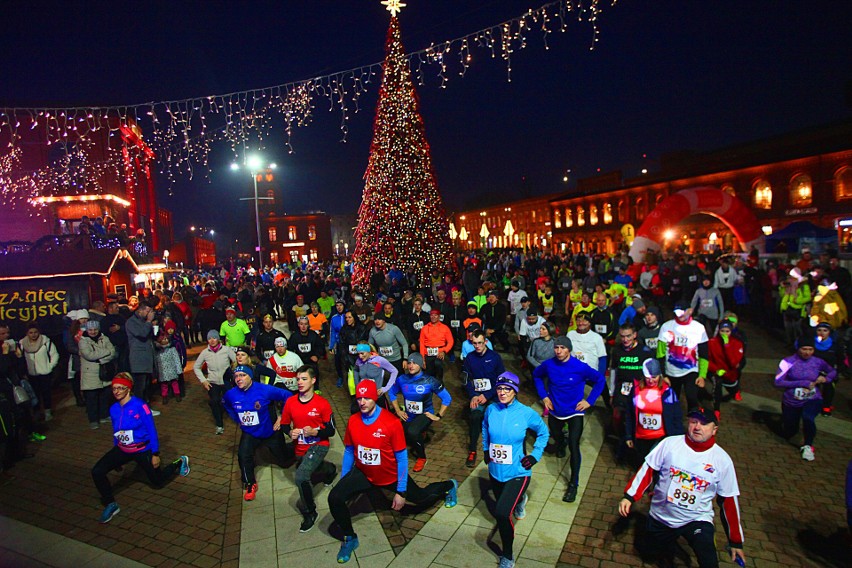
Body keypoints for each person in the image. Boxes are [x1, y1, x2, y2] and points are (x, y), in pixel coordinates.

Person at [328, 380, 458, 563]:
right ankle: (350, 538)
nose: (362, 402)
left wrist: (401, 491)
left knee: (421, 499)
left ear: (374, 397)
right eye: (359, 398)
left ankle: (448, 486)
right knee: (334, 498)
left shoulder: (391, 422)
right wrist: (345, 479)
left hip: (391, 476)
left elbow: (403, 458)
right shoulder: (353, 421)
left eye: (367, 397)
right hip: (365, 474)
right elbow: (349, 450)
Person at [619, 408, 745, 568]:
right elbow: (648, 470)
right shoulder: (670, 444)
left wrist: (735, 541)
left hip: (696, 519)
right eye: (694, 421)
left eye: (704, 423)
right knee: (649, 555)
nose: (697, 427)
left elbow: (728, 501)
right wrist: (629, 496)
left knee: (709, 559)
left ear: (714, 430)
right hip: (662, 516)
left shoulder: (722, 461)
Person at [91, 373, 190, 523]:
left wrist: (155, 453)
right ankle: (110, 504)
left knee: (157, 481)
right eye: (114, 388)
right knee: (97, 471)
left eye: (120, 388)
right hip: (122, 449)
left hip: (142, 449)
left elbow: (151, 429)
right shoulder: (114, 409)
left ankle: (180, 462)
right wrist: (116, 450)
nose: (116, 391)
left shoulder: (140, 406)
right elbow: (116, 430)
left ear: (128, 389)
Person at [482, 372, 549, 568]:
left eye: (507, 389)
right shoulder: (491, 410)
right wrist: (486, 449)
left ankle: (508, 556)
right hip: (495, 471)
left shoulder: (526, 413)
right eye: (500, 388)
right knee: (505, 504)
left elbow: (544, 432)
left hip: (518, 472)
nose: (502, 393)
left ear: (515, 391)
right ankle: (521, 500)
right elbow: (485, 428)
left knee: (502, 513)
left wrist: (535, 455)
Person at [532, 335, 605, 503]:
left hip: (575, 412)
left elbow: (600, 380)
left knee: (574, 445)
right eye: (556, 348)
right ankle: (560, 442)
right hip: (556, 410)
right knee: (557, 436)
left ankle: (573, 484)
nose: (558, 351)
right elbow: (536, 375)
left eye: (562, 348)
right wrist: (544, 396)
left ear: (569, 349)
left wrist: (589, 401)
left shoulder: (580, 367)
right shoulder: (549, 365)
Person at [276, 366, 337, 532]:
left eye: (304, 379)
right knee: (309, 466)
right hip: (300, 447)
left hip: (319, 445)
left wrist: (316, 431)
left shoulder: (322, 404)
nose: (300, 382)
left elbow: (331, 430)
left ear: (313, 380)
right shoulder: (290, 402)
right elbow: (283, 424)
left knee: (301, 476)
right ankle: (330, 469)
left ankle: (310, 512)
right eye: (298, 379)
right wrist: (290, 431)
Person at [223, 365, 294, 501]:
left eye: (243, 375)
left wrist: (282, 418)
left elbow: (288, 396)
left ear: (250, 377)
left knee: (284, 460)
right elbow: (226, 404)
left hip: (270, 431)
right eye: (236, 376)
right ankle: (250, 483)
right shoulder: (231, 394)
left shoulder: (264, 389)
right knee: (243, 455)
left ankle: (295, 448)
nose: (239, 379)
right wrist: (236, 419)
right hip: (250, 433)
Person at [774, 335, 835, 461]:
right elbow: (778, 382)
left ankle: (808, 445)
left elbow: (832, 371)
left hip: (813, 398)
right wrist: (801, 383)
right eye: (804, 349)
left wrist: (826, 378)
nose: (807, 352)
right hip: (792, 400)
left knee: (808, 418)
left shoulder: (818, 361)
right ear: (798, 348)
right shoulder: (787, 362)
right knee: (790, 430)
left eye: (810, 349)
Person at [387, 353, 451, 472]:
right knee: (399, 432)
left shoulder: (430, 381)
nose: (411, 365)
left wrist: (438, 416)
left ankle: (422, 458)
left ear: (421, 365)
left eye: (415, 363)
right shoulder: (402, 379)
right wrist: (398, 410)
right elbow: (391, 393)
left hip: (425, 414)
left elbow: (447, 398)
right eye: (410, 363)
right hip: (409, 415)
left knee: (412, 432)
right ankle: (421, 433)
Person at [624, 359, 683, 465]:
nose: (651, 381)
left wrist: (677, 439)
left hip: (660, 438)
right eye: (648, 378)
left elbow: (676, 417)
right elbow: (629, 414)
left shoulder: (668, 393)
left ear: (660, 375)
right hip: (641, 438)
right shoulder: (636, 390)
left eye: (654, 377)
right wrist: (628, 435)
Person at [461, 330, 506, 467]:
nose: (477, 346)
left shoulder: (495, 357)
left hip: (493, 395)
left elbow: (501, 380)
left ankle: (500, 449)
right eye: (474, 343)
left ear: (485, 342)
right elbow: (466, 380)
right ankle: (472, 450)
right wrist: (473, 395)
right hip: (477, 395)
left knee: (499, 418)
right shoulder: (469, 358)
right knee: (474, 416)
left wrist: (487, 395)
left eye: (480, 343)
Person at [657, 302, 709, 413]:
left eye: (682, 311)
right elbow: (660, 353)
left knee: (692, 398)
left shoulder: (699, 328)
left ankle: (693, 423)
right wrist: (663, 375)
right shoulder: (666, 327)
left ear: (690, 310)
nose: (679, 315)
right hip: (671, 372)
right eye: (677, 312)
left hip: (691, 370)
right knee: (670, 401)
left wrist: (702, 375)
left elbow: (704, 353)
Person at [193, 330, 237, 435]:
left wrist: (234, 374)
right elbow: (196, 367)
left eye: (214, 338)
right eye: (209, 338)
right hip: (213, 382)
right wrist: (203, 380)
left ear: (218, 339)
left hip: (226, 381)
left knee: (233, 400)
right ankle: (219, 425)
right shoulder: (205, 352)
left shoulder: (226, 350)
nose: (212, 340)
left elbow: (236, 361)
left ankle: (240, 419)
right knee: (214, 401)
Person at [78, 320, 117, 429]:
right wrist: (105, 353)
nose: (93, 332)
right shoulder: (83, 341)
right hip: (90, 374)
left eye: (95, 329)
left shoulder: (104, 338)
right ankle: (93, 420)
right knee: (92, 398)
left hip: (104, 372)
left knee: (105, 396)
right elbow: (89, 355)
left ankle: (104, 415)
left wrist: (100, 358)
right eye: (90, 329)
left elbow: (112, 351)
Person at [19, 323, 59, 422]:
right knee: (34, 394)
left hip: (44, 373)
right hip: (31, 374)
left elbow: (54, 355)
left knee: (46, 393)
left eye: (35, 332)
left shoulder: (45, 341)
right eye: (31, 332)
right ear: (27, 333)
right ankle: (37, 412)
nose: (33, 335)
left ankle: (47, 412)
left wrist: (49, 367)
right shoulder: (22, 344)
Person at [707, 320, 746, 420]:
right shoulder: (712, 342)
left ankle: (736, 390)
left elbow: (734, 363)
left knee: (732, 386)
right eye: (722, 331)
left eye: (727, 331)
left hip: (730, 372)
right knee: (717, 384)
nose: (724, 334)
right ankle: (716, 410)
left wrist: (727, 346)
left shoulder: (737, 343)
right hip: (717, 371)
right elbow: (707, 360)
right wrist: (716, 370)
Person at [126, 298, 158, 414]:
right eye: (148, 311)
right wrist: (149, 322)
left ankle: (145, 408)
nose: (150, 314)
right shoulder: (131, 322)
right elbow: (142, 334)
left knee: (147, 386)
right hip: (138, 359)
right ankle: (139, 411)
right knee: (140, 387)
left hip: (147, 358)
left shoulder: (143, 321)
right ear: (141, 310)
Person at [352, 342, 398, 411]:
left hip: (377, 397)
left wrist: (385, 388)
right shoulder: (359, 361)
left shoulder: (379, 360)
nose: (360, 356)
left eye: (362, 353)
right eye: (358, 354)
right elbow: (355, 370)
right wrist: (357, 385)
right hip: (364, 397)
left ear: (368, 351)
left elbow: (394, 371)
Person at [419, 309, 454, 381]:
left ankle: (440, 382)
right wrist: (422, 359)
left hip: (439, 352)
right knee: (429, 373)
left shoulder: (445, 328)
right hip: (427, 353)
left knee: (438, 364)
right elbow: (422, 344)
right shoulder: (424, 328)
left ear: (439, 317)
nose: (433, 317)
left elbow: (450, 341)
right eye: (431, 315)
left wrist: (444, 351)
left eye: (435, 315)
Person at [154, 330, 183, 404]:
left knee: (174, 382)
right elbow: (156, 363)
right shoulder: (158, 352)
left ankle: (177, 394)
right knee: (164, 385)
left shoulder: (172, 350)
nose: (165, 340)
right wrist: (156, 372)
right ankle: (164, 396)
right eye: (164, 339)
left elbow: (176, 359)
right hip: (163, 371)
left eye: (166, 339)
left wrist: (179, 369)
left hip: (172, 369)